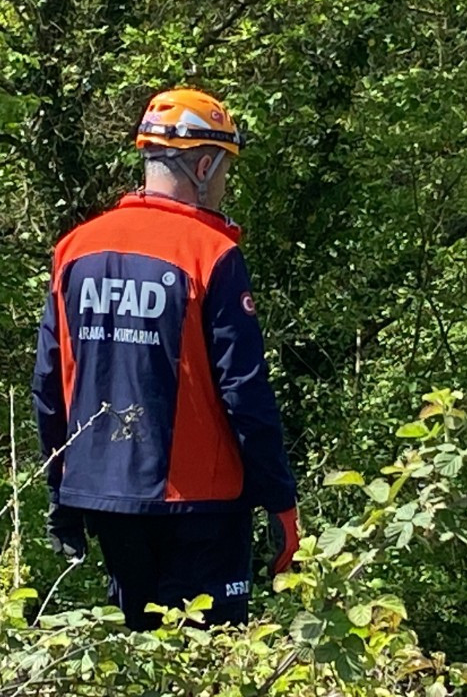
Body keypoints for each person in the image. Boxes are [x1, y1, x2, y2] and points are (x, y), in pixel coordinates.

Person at [33, 88, 299, 629]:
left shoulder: (75, 249)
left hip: (105, 496)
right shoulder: (212, 253)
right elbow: (245, 390)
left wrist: (60, 489)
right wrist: (280, 500)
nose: (224, 185)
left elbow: (49, 383)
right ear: (203, 166)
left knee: (138, 650)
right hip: (201, 503)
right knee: (209, 655)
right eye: (225, 170)